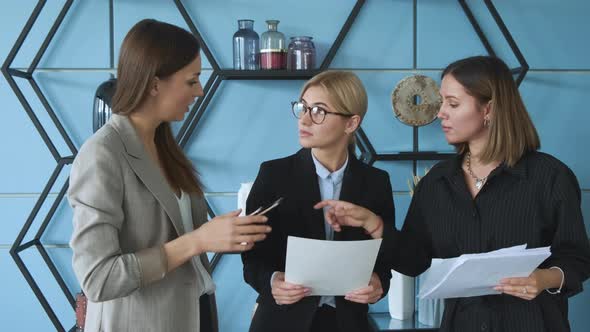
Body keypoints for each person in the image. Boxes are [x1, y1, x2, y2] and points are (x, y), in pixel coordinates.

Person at [315, 56, 590, 332]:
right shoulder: (436, 183)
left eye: (453, 103)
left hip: (535, 324)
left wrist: (544, 278)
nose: (440, 112)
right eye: (442, 101)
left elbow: (577, 258)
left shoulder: (550, 177)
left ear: (489, 109)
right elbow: (414, 261)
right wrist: (372, 223)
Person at [68, 19, 270, 332]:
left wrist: (223, 233)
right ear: (154, 83)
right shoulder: (102, 154)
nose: (200, 91)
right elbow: (99, 279)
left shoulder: (164, 145)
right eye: (192, 81)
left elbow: (180, 233)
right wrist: (198, 241)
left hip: (195, 313)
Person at [241, 71, 394, 332]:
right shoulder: (273, 174)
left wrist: (379, 284)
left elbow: (384, 258)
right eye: (303, 107)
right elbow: (252, 259)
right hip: (281, 321)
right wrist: (272, 281)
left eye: (319, 111)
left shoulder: (376, 182)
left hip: (349, 323)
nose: (305, 119)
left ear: (351, 123)